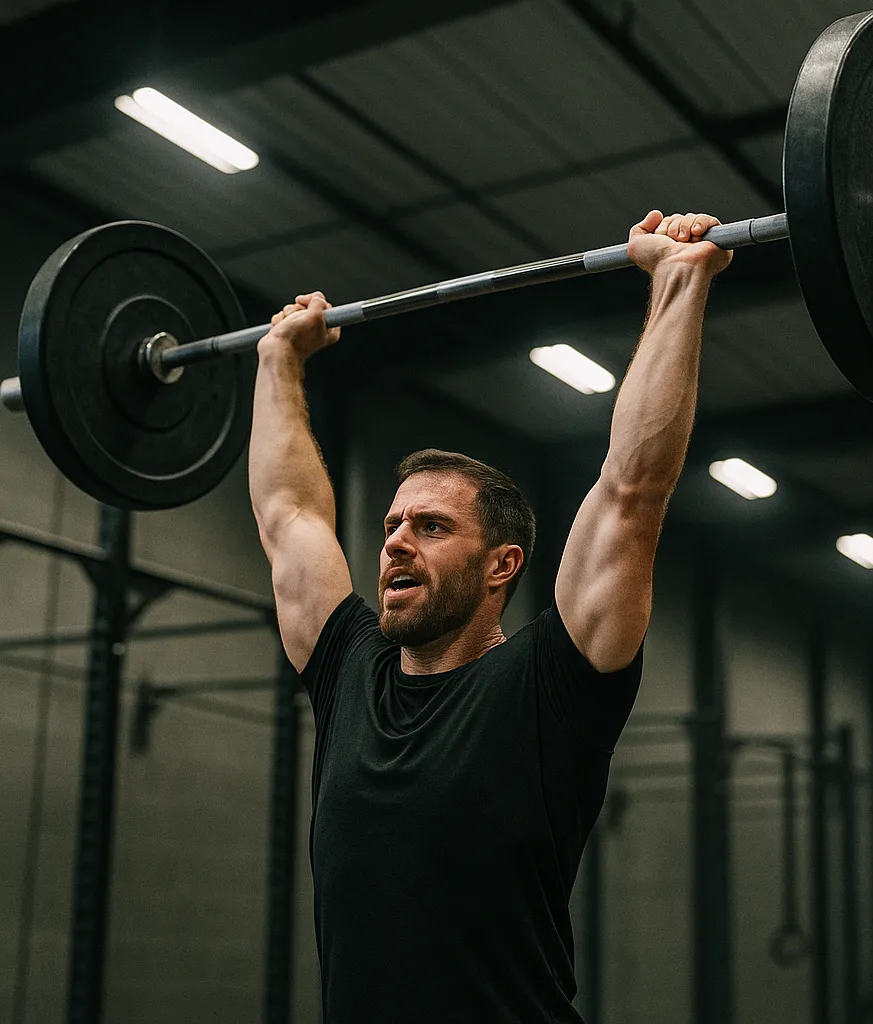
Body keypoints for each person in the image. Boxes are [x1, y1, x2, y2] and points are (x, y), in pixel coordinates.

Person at [248, 210, 732, 1022]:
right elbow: (289, 512)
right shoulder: (346, 675)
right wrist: (275, 359)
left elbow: (632, 490)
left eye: (432, 527)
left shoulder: (550, 688)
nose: (397, 543)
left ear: (502, 565)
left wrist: (677, 283)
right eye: (393, 526)